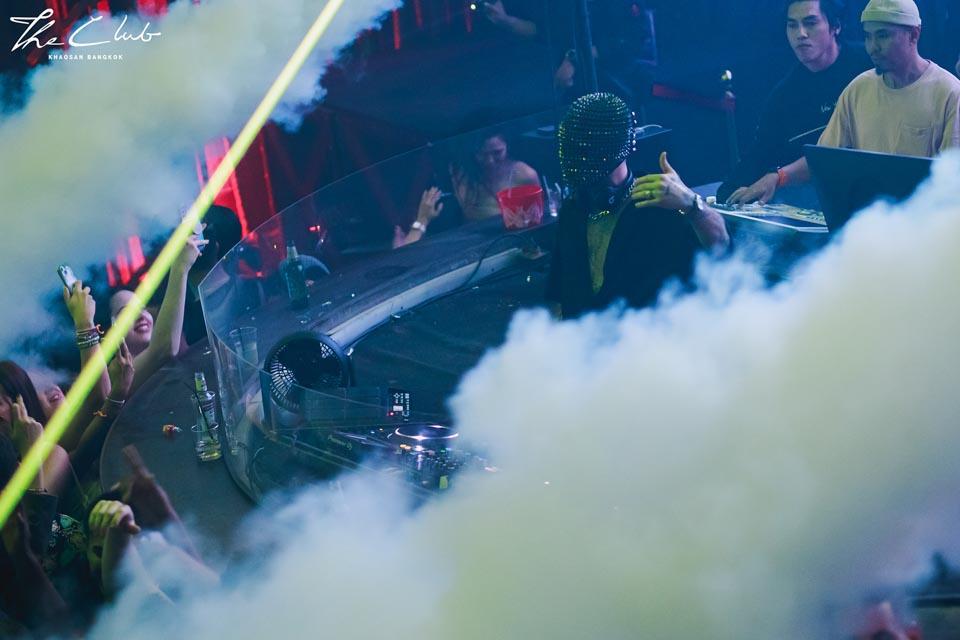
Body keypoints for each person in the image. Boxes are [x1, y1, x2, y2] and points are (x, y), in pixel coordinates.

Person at [741, 0, 960, 204]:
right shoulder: (858, 88)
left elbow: (952, 181)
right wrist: (778, 177)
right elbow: (824, 158)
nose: (873, 47)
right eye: (868, 37)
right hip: (867, 219)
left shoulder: (949, 92)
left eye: (882, 36)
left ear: (914, 35)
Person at [547, 93, 729, 318]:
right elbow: (558, 297)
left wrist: (692, 204)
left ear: (615, 147)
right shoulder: (573, 210)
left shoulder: (660, 204)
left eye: (588, 149)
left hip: (650, 337)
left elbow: (720, 250)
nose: (582, 157)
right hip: (587, 336)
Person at [722, 0, 871, 204]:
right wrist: (724, 196)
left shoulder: (869, 64)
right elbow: (759, 154)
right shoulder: (783, 96)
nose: (800, 34)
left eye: (810, 23)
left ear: (835, 26)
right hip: (822, 199)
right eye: (792, 25)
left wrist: (780, 176)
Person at [395, 130, 540, 247]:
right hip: (470, 246)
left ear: (507, 146)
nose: (490, 161)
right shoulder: (460, 173)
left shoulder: (526, 175)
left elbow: (538, 218)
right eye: (482, 154)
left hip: (512, 243)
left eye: (497, 152)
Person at [109, 229, 207, 393]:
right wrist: (180, 266)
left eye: (142, 308)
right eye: (126, 313)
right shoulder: (119, 377)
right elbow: (163, 349)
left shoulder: (178, 355)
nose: (140, 315)